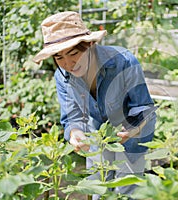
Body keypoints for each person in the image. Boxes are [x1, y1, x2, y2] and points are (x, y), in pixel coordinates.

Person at [33, 11, 156, 199]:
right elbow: (72, 117)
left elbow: (143, 107)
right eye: (59, 57)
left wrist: (131, 129)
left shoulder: (124, 61)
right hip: (98, 133)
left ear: (90, 44)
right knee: (97, 186)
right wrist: (75, 133)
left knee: (127, 188)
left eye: (74, 53)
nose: (68, 63)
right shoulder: (62, 77)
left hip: (133, 130)